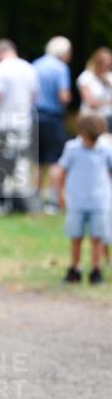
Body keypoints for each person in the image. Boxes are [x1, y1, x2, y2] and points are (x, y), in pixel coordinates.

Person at [55, 114, 112, 284]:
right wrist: (61, 194)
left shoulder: (106, 148)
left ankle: (96, 270)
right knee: (76, 237)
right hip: (77, 200)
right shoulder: (72, 148)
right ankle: (75, 269)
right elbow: (62, 172)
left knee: (97, 237)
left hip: (99, 200)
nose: (91, 143)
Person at [0, 39, 38, 209]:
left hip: (3, 123)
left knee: (1, 161)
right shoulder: (29, 68)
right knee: (22, 162)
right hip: (24, 121)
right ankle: (24, 198)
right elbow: (34, 97)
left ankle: (3, 199)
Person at [32, 36, 72, 212]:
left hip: (34, 115)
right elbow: (63, 96)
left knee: (38, 161)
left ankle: (35, 200)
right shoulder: (60, 68)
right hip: (52, 116)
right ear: (63, 52)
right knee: (56, 159)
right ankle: (55, 202)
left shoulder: (36, 65)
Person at [76, 47, 112, 130]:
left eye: (109, 65)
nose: (106, 68)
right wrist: (108, 103)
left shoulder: (109, 76)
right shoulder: (86, 77)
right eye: (104, 64)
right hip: (91, 120)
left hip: (108, 119)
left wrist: (108, 82)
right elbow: (91, 103)